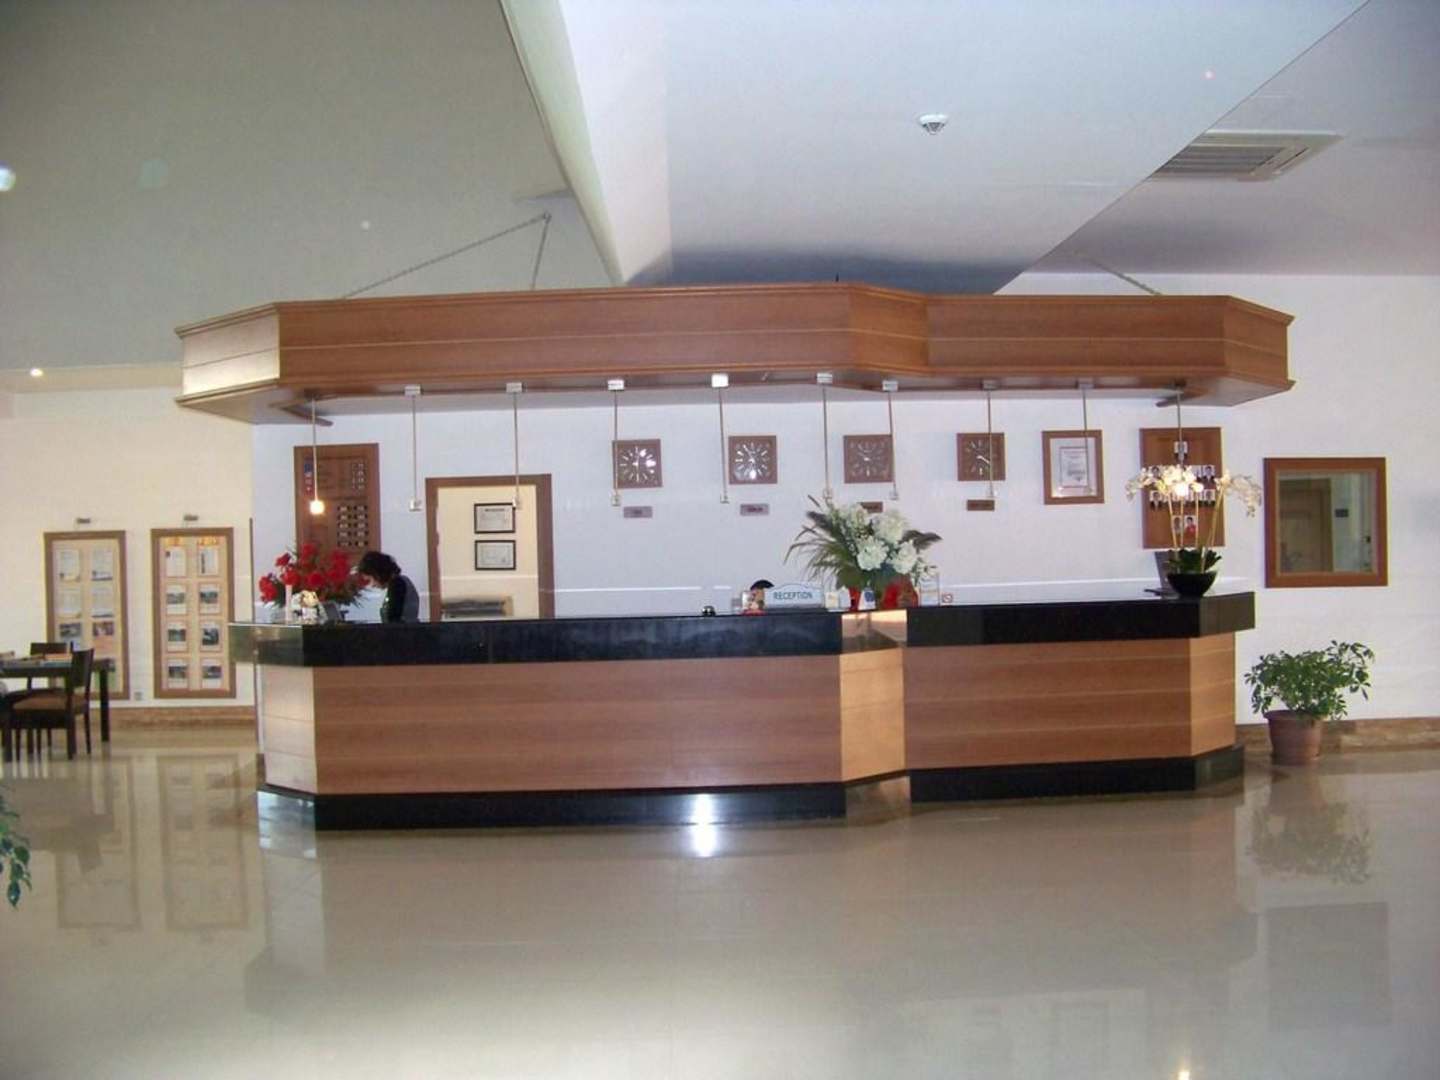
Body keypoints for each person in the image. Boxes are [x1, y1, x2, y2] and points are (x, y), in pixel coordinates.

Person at [355, 551, 419, 623]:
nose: (372, 585)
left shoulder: (398, 584)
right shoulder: (399, 582)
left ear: (377, 573)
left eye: (370, 580)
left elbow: (394, 618)